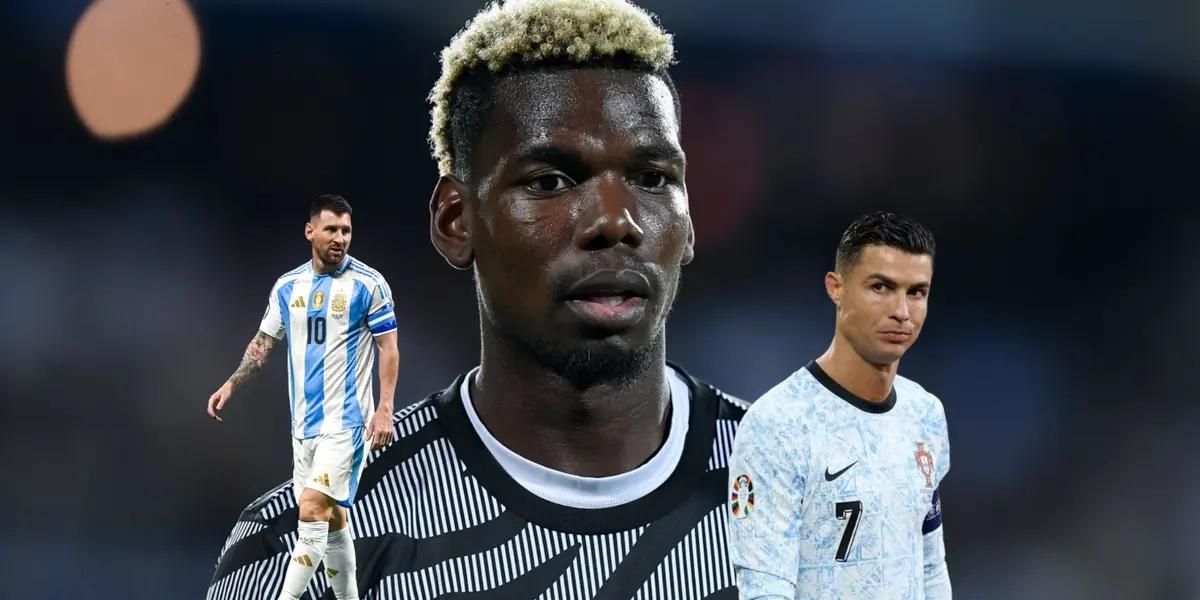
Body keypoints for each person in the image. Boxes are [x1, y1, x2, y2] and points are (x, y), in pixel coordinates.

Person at [206, 1, 749, 598]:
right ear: (456, 221)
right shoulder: (304, 548)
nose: (616, 222)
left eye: (653, 179)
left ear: (689, 222)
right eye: (551, 181)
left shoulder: (818, 497)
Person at [727, 212, 951, 599]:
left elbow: (930, 565)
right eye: (881, 287)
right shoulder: (778, 425)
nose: (902, 311)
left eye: (916, 292)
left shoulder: (925, 415)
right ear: (837, 288)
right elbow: (764, 589)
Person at [206, 194, 400, 600]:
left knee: (310, 510)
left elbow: (388, 348)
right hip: (303, 426)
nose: (340, 238)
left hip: (346, 424)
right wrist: (230, 385)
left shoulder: (369, 284)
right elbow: (262, 344)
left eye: (346, 230)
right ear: (310, 231)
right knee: (332, 520)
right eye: (331, 229)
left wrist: (384, 411)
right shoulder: (287, 287)